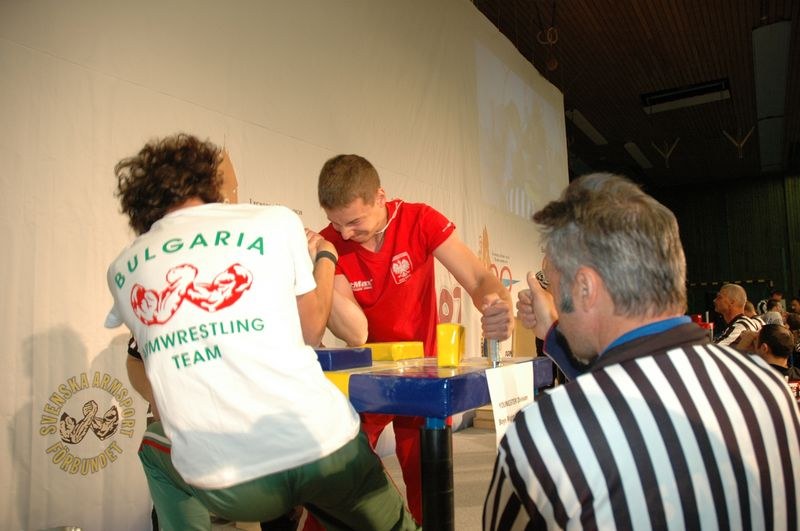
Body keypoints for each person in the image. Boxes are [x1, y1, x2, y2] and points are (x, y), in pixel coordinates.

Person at [105, 134, 417, 531]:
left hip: (229, 483)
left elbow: (149, 354)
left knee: (155, 449)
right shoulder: (275, 220)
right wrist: (324, 257)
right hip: (323, 448)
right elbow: (310, 330)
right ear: (211, 185)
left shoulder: (123, 268)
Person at [486, 173, 800, 529]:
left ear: (585, 288)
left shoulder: (546, 434)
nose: (552, 298)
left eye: (551, 282)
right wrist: (554, 331)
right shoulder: (770, 390)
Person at [313, 153, 514, 523]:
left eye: (354, 222)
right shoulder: (329, 244)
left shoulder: (419, 219)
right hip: (365, 377)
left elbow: (478, 278)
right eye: (335, 224)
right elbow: (354, 329)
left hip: (423, 378)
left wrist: (496, 305)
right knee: (334, 483)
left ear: (380, 197)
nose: (344, 234)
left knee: (428, 494)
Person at [713, 283, 762, 347]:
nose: (714, 300)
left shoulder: (740, 326)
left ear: (732, 302)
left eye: (719, 297)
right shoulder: (741, 323)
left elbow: (711, 350)